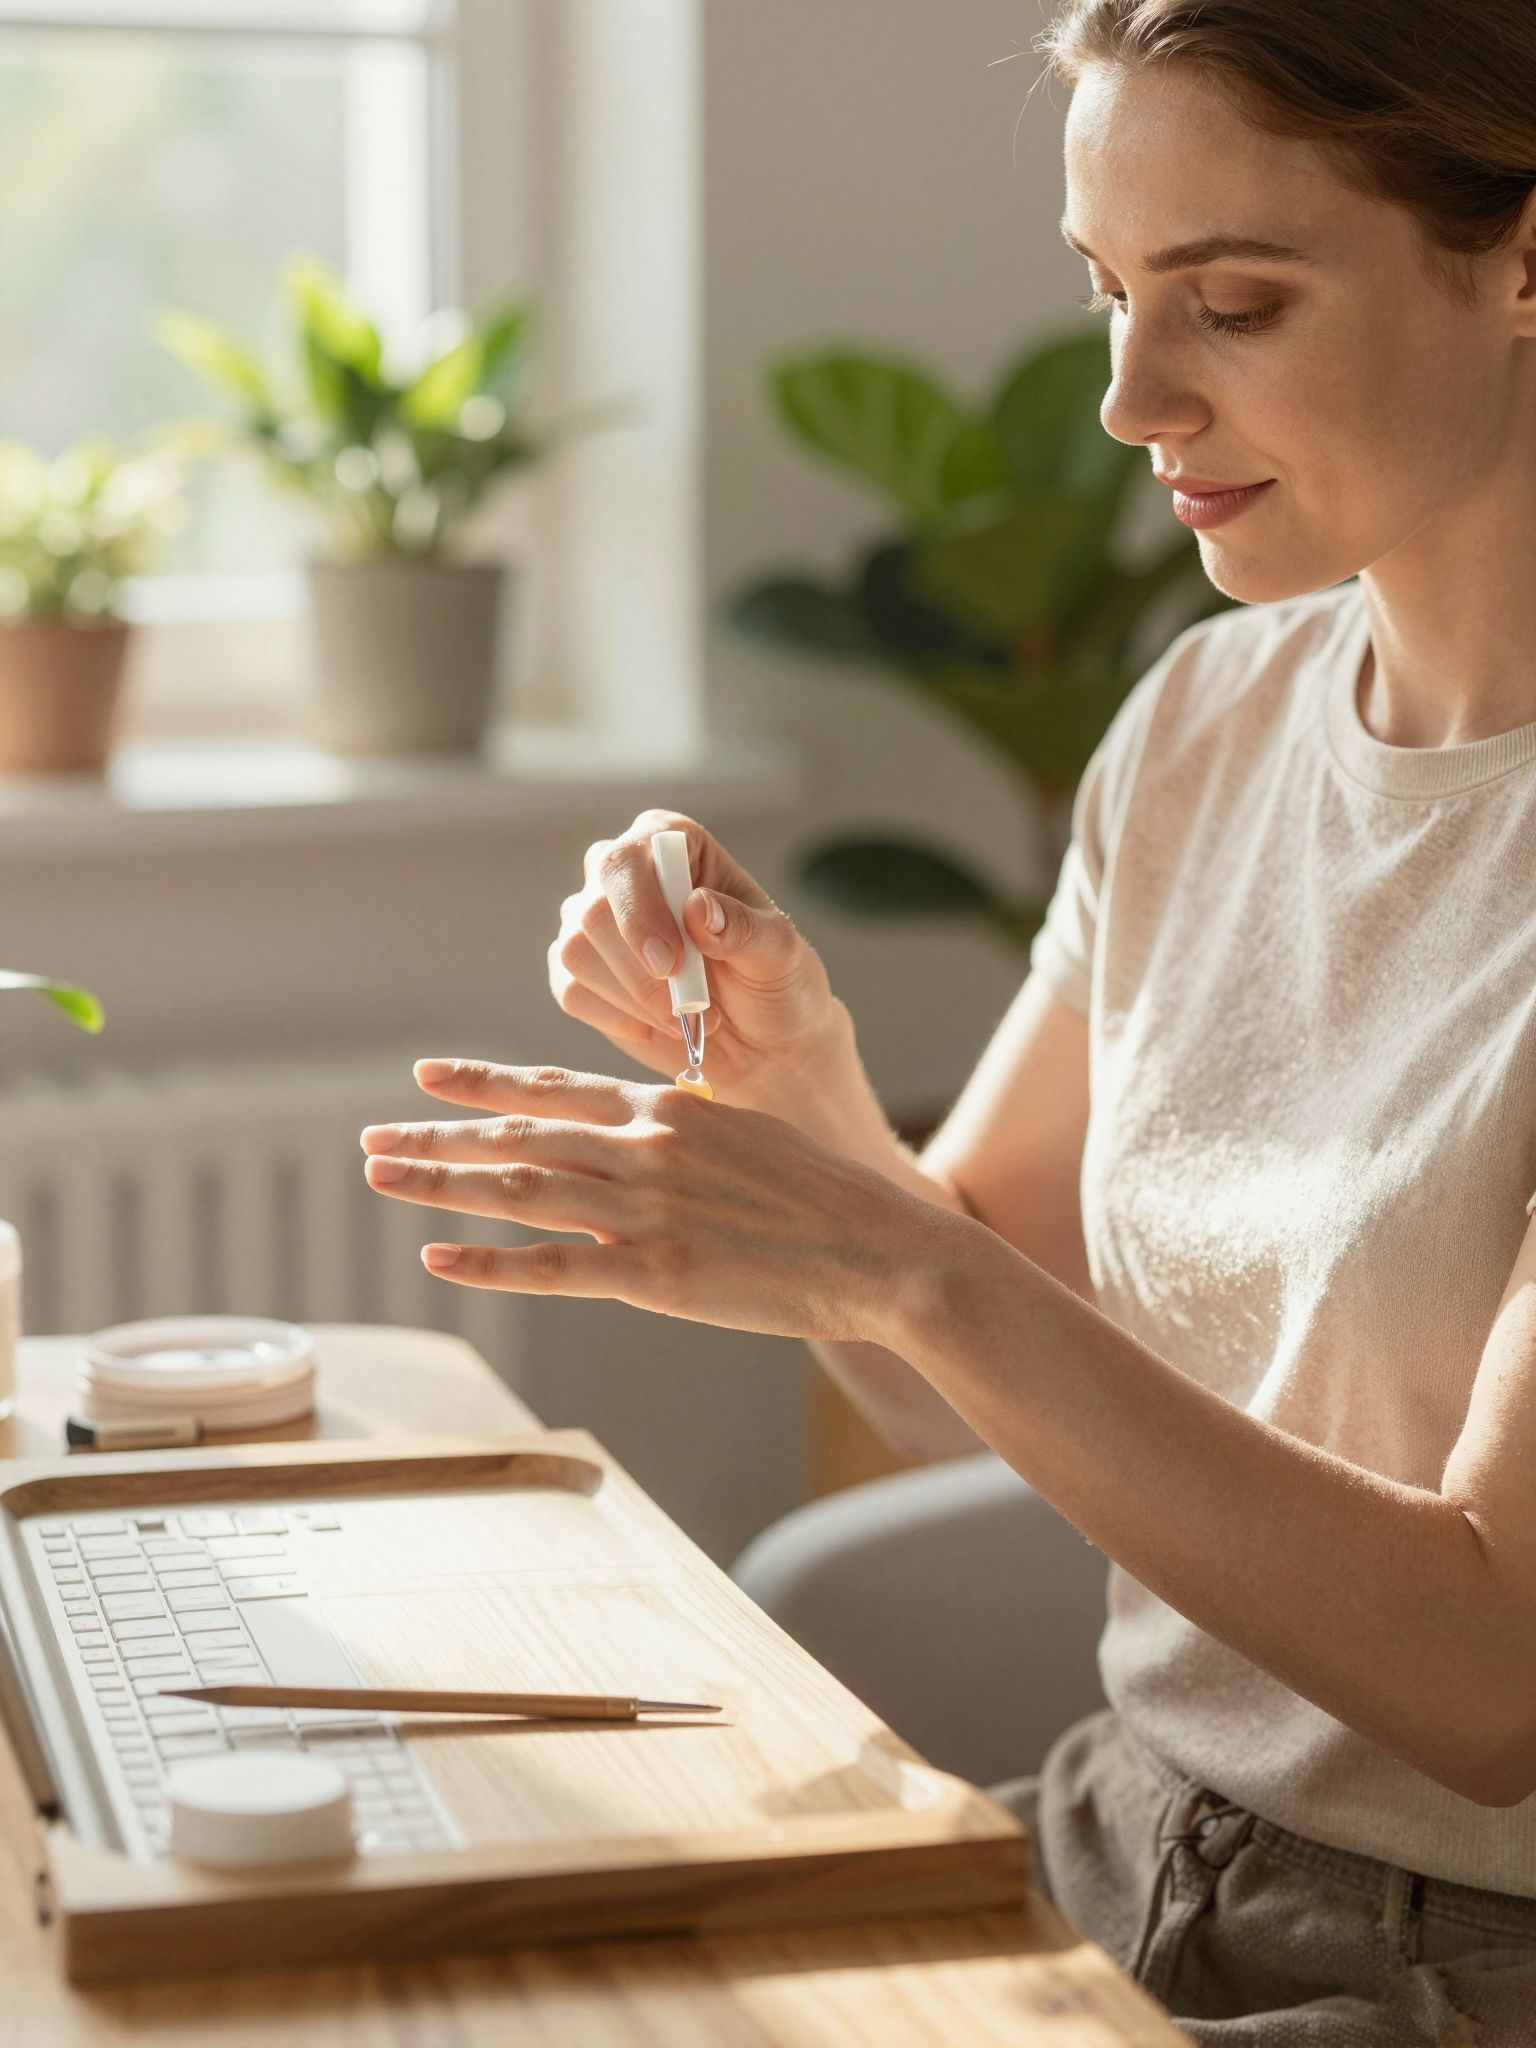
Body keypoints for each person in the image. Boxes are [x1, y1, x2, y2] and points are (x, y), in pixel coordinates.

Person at [358, 1, 1536, 2036]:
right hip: (1122, 1839)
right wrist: (804, 1095)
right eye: (1105, 293)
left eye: (1231, 303)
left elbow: (1491, 1673)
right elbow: (955, 1368)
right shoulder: (1203, 726)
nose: (1129, 397)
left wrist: (896, 1259)